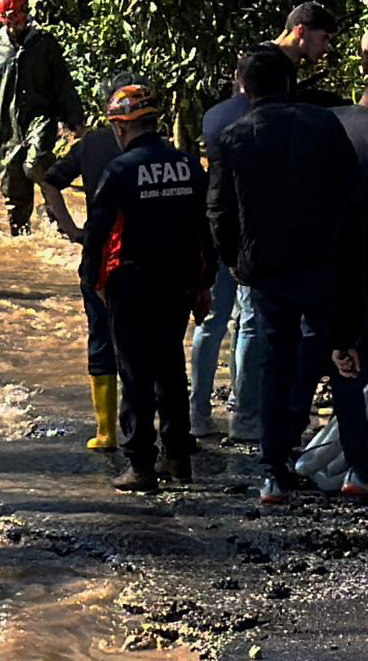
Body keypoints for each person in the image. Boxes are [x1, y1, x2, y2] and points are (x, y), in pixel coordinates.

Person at [207, 46, 367, 507]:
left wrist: (233, 260)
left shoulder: (233, 136)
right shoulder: (324, 124)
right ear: (290, 83)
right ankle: (358, 466)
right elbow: (352, 199)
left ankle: (274, 472)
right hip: (326, 264)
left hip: (269, 269)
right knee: (342, 356)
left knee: (275, 366)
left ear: (243, 87)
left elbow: (218, 209)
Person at [81, 84, 215, 493]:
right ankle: (177, 455)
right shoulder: (189, 165)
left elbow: (98, 233)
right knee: (171, 365)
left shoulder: (121, 171)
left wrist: (90, 279)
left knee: (135, 371)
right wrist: (203, 283)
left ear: (122, 128)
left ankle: (140, 463)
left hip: (131, 282)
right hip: (178, 281)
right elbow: (203, 230)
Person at [40, 93, 128, 450]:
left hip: (99, 253)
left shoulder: (89, 144)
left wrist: (71, 229)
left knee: (101, 336)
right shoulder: (161, 150)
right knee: (153, 342)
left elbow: (49, 181)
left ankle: (106, 432)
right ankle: (163, 429)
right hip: (151, 258)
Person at [189, 66, 266, 443]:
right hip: (252, 231)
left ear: (237, 77)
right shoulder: (266, 119)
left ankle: (198, 412)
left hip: (216, 226)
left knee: (212, 321)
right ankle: (244, 414)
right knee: (248, 321)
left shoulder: (213, 116)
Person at [0, 0, 83, 236]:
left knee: (35, 164)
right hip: (8, 127)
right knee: (13, 189)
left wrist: (74, 118)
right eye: (8, 19)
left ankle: (57, 217)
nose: (13, 24)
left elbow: (63, 84)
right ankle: (22, 239)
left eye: (17, 17)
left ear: (25, 12)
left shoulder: (44, 44)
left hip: (39, 119)